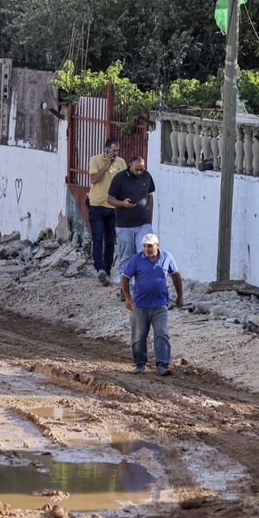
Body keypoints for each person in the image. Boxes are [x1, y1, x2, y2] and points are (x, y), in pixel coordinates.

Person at [121, 233, 183, 376]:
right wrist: (127, 298)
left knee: (162, 333)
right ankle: (140, 364)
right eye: (144, 246)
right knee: (138, 336)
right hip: (140, 305)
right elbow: (125, 278)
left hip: (160, 304)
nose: (147, 249)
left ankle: (162, 365)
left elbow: (176, 276)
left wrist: (180, 296)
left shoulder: (167, 257)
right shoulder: (136, 259)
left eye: (150, 246)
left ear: (157, 245)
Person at [87, 138, 127, 285]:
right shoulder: (95, 160)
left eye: (117, 151)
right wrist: (106, 166)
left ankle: (107, 271)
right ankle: (99, 268)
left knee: (110, 240)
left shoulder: (121, 163)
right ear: (106, 150)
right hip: (97, 204)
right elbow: (94, 180)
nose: (116, 154)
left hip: (113, 206)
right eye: (113, 151)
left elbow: (124, 181)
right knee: (98, 237)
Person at [108, 156, 155, 274]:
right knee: (126, 258)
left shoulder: (147, 176)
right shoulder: (119, 178)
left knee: (146, 255)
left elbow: (150, 196)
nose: (139, 172)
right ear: (130, 166)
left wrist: (150, 218)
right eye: (137, 169)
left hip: (143, 224)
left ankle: (141, 287)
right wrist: (122, 204)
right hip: (124, 225)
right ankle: (124, 289)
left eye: (142, 169)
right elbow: (109, 199)